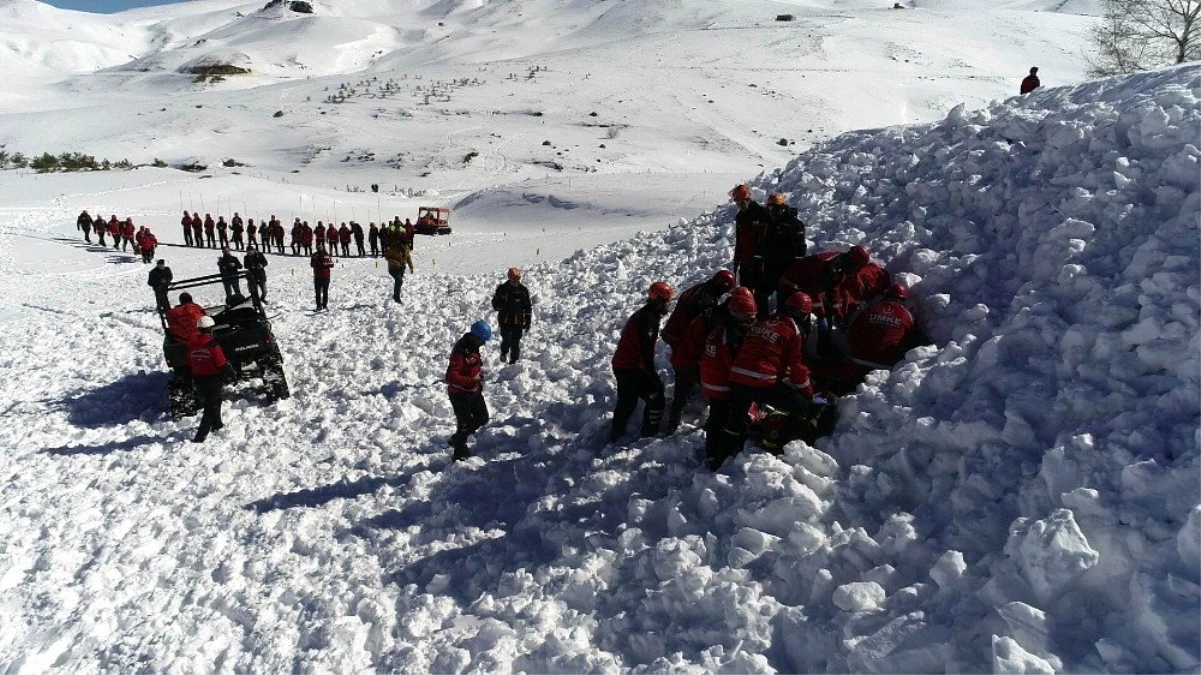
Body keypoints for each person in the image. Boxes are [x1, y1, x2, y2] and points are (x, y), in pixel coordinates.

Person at [713, 292, 817, 466]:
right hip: (761, 380)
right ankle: (779, 446)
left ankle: (719, 459)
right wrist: (808, 393)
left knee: (736, 418)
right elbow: (797, 368)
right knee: (800, 406)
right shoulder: (794, 330)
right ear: (805, 314)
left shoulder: (764, 321)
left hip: (737, 375)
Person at [661, 270, 736, 432]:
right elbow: (702, 328)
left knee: (682, 384)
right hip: (684, 342)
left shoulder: (699, 289)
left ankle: (671, 424)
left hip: (676, 337)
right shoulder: (705, 304)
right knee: (696, 377)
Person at [816, 282, 918, 394]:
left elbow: (852, 333)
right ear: (903, 299)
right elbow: (910, 343)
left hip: (859, 361)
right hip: (886, 366)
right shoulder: (907, 315)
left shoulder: (871, 308)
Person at [700, 288, 757, 468]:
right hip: (721, 382)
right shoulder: (734, 335)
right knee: (727, 416)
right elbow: (736, 363)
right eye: (748, 318)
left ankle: (711, 451)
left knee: (716, 415)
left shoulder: (719, 325)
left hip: (710, 379)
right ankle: (720, 454)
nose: (750, 321)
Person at [610, 281, 674, 442]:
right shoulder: (648, 320)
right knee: (655, 397)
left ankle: (616, 434)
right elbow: (645, 353)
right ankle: (648, 434)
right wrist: (652, 376)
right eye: (666, 302)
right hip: (629, 367)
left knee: (628, 402)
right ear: (658, 301)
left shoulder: (646, 315)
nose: (668, 306)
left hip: (625, 364)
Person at [446, 320, 492, 460]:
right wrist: (470, 382)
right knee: (464, 424)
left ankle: (458, 438)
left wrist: (478, 376)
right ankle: (460, 453)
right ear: (475, 337)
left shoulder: (473, 347)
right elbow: (451, 376)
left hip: (473, 392)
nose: (483, 344)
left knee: (482, 418)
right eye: (482, 340)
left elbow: (472, 365)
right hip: (459, 394)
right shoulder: (461, 352)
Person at [757, 192, 808, 315]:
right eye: (770, 208)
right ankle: (762, 320)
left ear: (783, 207)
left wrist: (794, 271)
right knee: (760, 293)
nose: (772, 211)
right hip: (770, 265)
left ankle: (782, 323)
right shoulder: (769, 222)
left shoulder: (794, 224)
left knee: (783, 298)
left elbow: (800, 250)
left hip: (786, 268)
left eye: (775, 208)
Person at [189, 315, 235, 443]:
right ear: (211, 329)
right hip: (212, 379)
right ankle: (200, 437)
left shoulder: (192, 344)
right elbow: (221, 363)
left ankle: (217, 424)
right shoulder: (212, 344)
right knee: (210, 407)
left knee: (216, 400)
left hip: (199, 378)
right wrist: (232, 374)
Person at [730, 184, 772, 311]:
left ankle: (762, 318)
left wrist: (761, 256)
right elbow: (739, 241)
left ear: (747, 199)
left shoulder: (762, 213)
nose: (740, 206)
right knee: (745, 294)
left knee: (760, 295)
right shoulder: (740, 217)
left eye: (741, 203)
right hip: (746, 262)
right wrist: (737, 259)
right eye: (737, 204)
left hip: (760, 263)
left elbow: (767, 238)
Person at [491, 267, 533, 364]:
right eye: (513, 279)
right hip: (505, 319)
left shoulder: (523, 290)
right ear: (509, 278)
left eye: (518, 279)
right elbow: (495, 303)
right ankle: (504, 352)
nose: (515, 281)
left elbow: (527, 306)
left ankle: (513, 362)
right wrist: (500, 305)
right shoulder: (502, 289)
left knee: (515, 342)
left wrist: (528, 321)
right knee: (507, 339)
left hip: (518, 320)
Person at [383, 236, 414, 303]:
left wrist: (411, 267)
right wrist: (395, 262)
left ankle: (396, 295)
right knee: (399, 280)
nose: (406, 245)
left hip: (402, 268)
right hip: (393, 268)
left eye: (407, 244)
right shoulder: (393, 248)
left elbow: (408, 258)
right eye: (405, 244)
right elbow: (387, 257)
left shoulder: (406, 248)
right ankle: (397, 298)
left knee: (399, 283)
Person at [311, 244, 334, 310]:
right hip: (317, 276)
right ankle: (318, 306)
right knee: (317, 292)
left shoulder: (327, 255)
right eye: (318, 247)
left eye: (321, 247)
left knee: (325, 291)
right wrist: (317, 263)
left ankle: (324, 305)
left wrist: (325, 264)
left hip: (326, 276)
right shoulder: (314, 255)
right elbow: (312, 264)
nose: (320, 248)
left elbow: (332, 264)